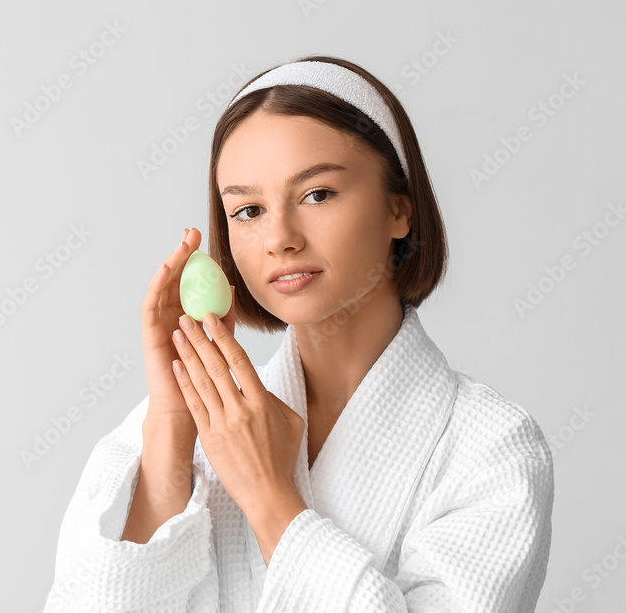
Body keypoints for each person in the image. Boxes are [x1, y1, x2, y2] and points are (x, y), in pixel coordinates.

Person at [42, 55, 554, 612]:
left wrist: (270, 497)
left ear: (399, 209)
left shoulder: (492, 449)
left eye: (318, 195)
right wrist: (169, 429)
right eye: (248, 210)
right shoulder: (172, 429)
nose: (279, 237)